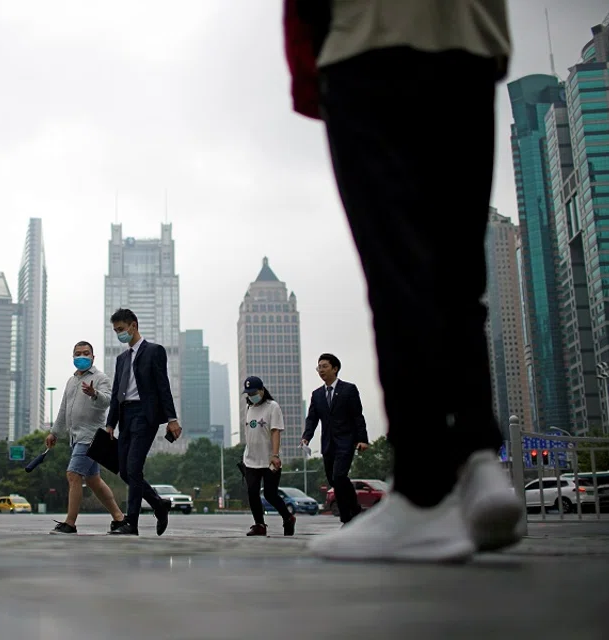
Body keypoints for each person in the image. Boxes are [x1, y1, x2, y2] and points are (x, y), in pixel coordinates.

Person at [284, 0, 523, 561]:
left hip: (369, 41)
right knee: (458, 275)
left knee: (397, 275)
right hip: (469, 43)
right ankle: (479, 463)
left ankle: (421, 497)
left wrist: (308, 72)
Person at [105, 308, 181, 536]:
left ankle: (132, 523)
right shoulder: (121, 359)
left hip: (144, 415)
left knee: (134, 468)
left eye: (121, 329)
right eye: (116, 331)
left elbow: (163, 386)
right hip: (125, 416)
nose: (119, 334)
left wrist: (172, 419)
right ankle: (159, 504)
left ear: (133, 326)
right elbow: (117, 392)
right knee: (126, 473)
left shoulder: (154, 351)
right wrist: (110, 423)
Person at [45, 341, 126, 534]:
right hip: (75, 437)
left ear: (93, 357)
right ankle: (120, 519)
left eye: (86, 353)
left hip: (90, 438)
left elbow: (107, 401)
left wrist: (94, 393)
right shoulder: (71, 381)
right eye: (78, 353)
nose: (82, 356)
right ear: (73, 357)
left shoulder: (100, 378)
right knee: (93, 480)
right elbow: (64, 409)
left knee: (73, 475)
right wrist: (54, 432)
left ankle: (70, 523)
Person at [302, 354, 369, 526]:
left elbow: (357, 416)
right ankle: (355, 509)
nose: (321, 370)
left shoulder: (348, 389)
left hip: (346, 441)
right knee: (334, 481)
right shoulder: (317, 395)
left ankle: (347, 518)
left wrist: (362, 439)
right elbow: (312, 418)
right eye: (319, 367)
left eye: (324, 366)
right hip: (328, 443)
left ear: (335, 368)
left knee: (339, 476)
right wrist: (306, 437)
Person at [241, 376, 295, 537]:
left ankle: (288, 518)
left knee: (270, 494)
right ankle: (259, 524)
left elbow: (275, 431)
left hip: (269, 459)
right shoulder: (248, 408)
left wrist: (275, 455)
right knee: (252, 492)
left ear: (262, 391)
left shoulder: (272, 407)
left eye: (254, 392)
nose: (251, 396)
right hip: (250, 459)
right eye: (248, 393)